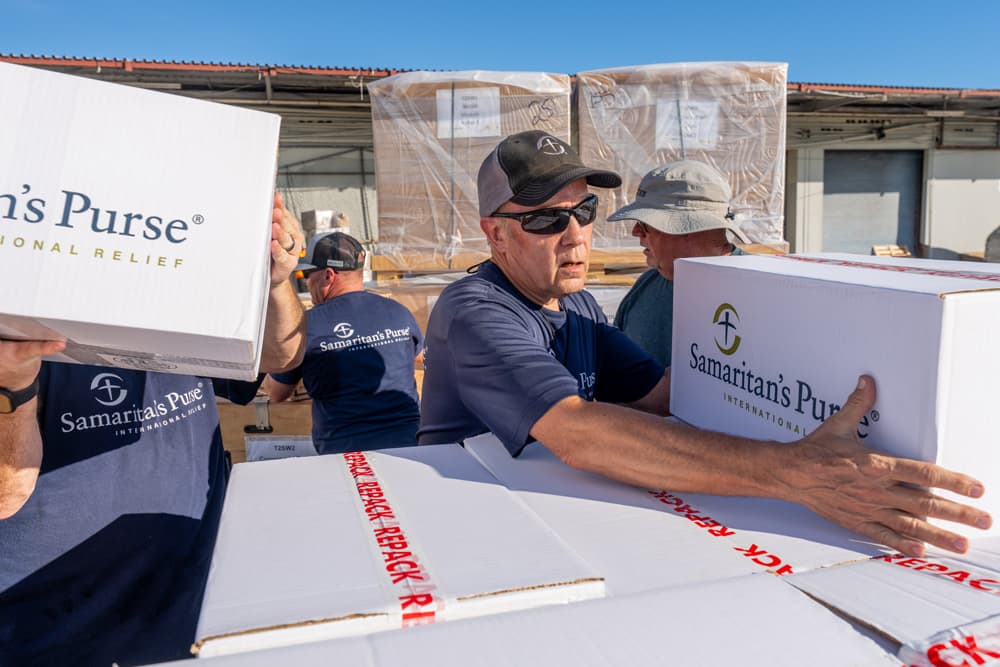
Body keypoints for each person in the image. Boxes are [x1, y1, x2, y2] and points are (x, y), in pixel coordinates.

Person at [418, 129, 990, 559]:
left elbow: (667, 394)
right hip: (480, 537)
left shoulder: (579, 307)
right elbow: (575, 433)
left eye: (584, 211)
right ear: (495, 233)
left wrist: (810, 365)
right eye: (546, 221)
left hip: (560, 520)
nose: (575, 236)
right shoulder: (476, 311)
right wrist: (798, 473)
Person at [0, 193, 307, 667]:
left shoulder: (171, 289)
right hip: (55, 633)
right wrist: (15, 386)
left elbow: (278, 360)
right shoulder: (17, 313)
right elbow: (6, 494)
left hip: (196, 610)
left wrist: (274, 284)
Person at [264, 231, 423, 453]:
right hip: (411, 445)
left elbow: (277, 393)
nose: (307, 282)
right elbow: (417, 356)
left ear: (328, 275)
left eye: (308, 274)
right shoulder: (398, 311)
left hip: (347, 454)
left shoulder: (306, 326)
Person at [611, 161, 750, 366]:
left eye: (644, 224)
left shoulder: (759, 291)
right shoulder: (646, 286)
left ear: (688, 228)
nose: (635, 232)